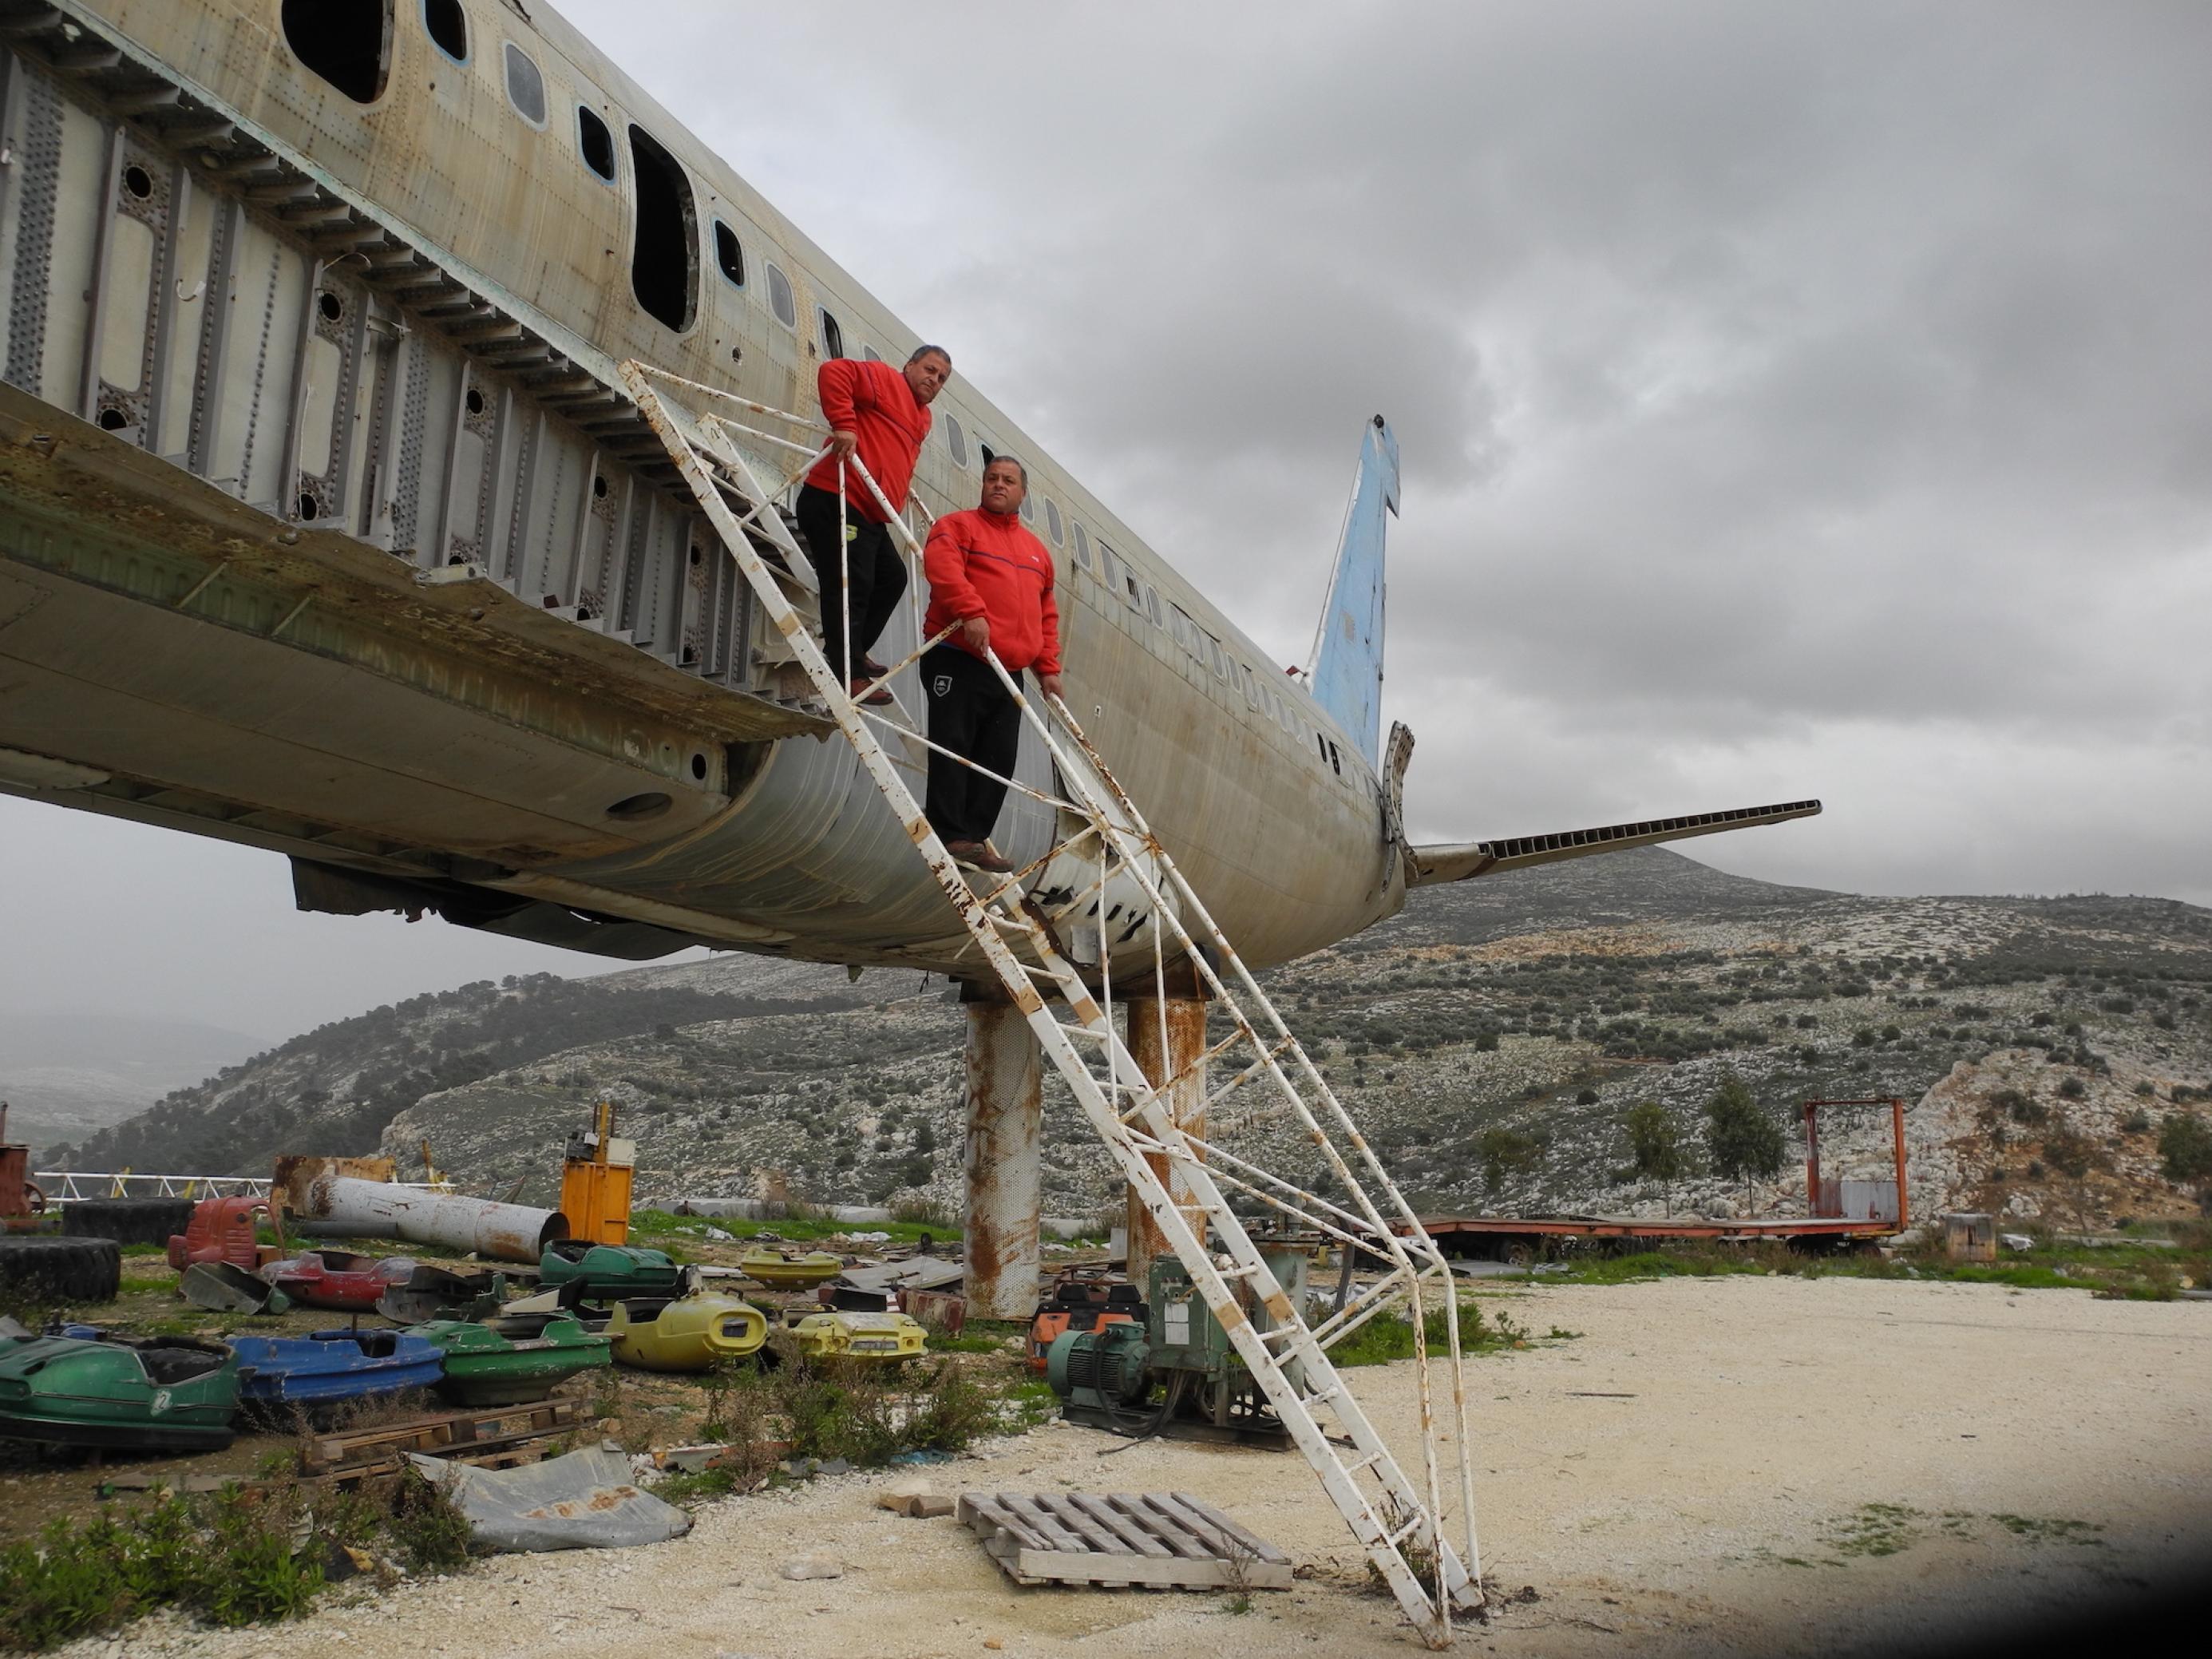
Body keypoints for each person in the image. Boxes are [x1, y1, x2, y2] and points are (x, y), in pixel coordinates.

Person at [920, 455, 1063, 873]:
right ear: (983, 485)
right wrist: (972, 611)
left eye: (1009, 481)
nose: (998, 485)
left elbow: (1045, 615)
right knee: (954, 745)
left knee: (998, 758)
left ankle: (972, 837)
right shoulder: (958, 526)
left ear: (1023, 493)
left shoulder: (1036, 553)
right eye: (992, 479)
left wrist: (1048, 668)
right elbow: (943, 569)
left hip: (1008, 670)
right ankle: (950, 833)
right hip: (959, 656)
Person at [797, 344, 952, 704]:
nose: (934, 380)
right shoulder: (884, 380)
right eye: (929, 370)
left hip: (870, 512)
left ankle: (854, 650)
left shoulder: (922, 418)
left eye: (941, 378)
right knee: (852, 583)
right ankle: (846, 672)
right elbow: (834, 372)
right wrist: (844, 426)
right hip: (836, 496)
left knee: (893, 578)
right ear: (909, 365)